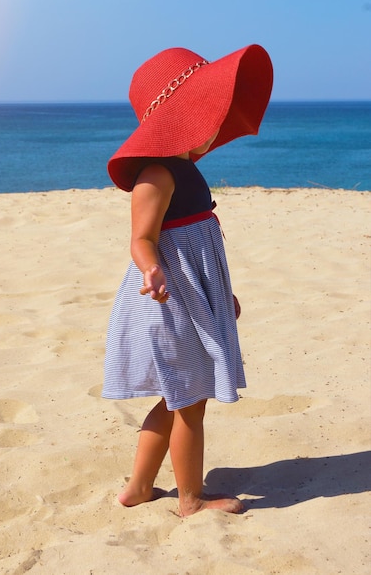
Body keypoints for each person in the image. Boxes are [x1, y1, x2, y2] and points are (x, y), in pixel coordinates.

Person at [103, 44, 273, 516]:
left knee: (176, 397)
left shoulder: (186, 170)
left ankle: (137, 489)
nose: (215, 120)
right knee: (190, 404)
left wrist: (223, 295)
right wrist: (150, 267)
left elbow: (199, 247)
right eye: (207, 109)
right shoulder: (156, 174)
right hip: (165, 302)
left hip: (192, 301)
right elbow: (141, 238)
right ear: (179, 117)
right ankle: (191, 500)